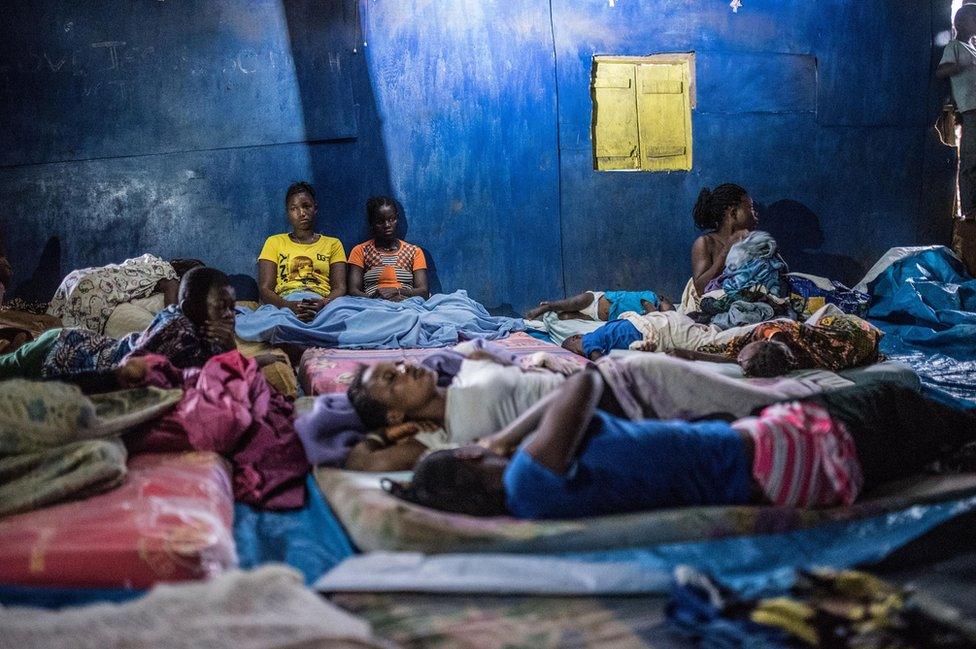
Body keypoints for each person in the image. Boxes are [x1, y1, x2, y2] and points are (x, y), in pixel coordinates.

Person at [384, 371, 976, 519]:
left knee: (909, 434)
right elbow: (586, 380)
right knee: (890, 393)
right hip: (790, 454)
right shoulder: (527, 476)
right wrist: (503, 437)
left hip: (773, 475)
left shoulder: (529, 500)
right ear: (467, 455)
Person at [0, 267, 238, 390]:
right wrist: (230, 348)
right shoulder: (179, 334)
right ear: (188, 307)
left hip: (73, 343)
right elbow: (212, 375)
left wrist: (227, 343)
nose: (230, 315)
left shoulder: (196, 328)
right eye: (221, 307)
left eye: (232, 307)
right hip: (60, 353)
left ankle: (13, 344)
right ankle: (13, 344)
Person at [675, 312, 883, 377]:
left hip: (856, 333)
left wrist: (689, 354)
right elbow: (736, 357)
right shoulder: (771, 335)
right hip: (846, 332)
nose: (738, 357)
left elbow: (733, 358)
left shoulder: (771, 356)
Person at [258, 182, 347, 322]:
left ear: (315, 208)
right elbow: (265, 289)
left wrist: (322, 303)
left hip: (323, 304)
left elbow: (340, 287)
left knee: (347, 317)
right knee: (262, 323)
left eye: (306, 206)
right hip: (285, 302)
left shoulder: (333, 244)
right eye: (294, 208)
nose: (302, 213)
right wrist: (287, 306)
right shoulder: (274, 242)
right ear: (288, 212)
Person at [682, 183, 758, 311]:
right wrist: (727, 251)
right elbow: (701, 289)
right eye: (750, 208)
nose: (755, 213)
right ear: (733, 213)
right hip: (715, 307)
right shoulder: (706, 243)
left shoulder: (753, 243)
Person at [346, 197, 429, 301]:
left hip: (407, 303)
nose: (387, 225)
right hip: (371, 305)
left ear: (397, 218)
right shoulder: (361, 251)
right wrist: (376, 299)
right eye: (380, 222)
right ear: (371, 223)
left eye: (391, 219)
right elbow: (353, 291)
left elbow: (423, 291)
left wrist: (397, 291)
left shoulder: (414, 251)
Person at [937, 4, 976, 221]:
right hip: (970, 110)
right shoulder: (955, 47)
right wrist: (957, 66)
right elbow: (941, 72)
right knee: (970, 162)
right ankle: (968, 211)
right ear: (959, 23)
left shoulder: (973, 47)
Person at [525, 290, 672, 321]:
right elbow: (647, 306)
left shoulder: (646, 319)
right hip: (596, 300)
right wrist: (657, 316)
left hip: (599, 318)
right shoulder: (651, 297)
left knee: (565, 317)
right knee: (572, 303)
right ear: (662, 299)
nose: (668, 314)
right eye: (669, 311)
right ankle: (548, 306)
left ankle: (575, 314)